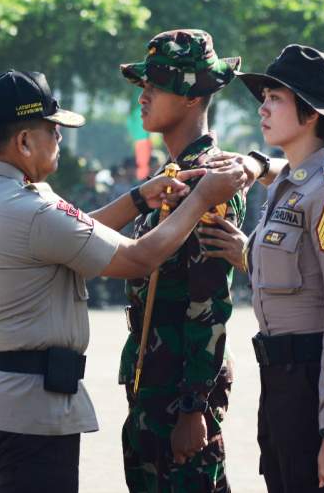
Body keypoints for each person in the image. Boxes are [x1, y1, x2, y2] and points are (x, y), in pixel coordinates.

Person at [0, 69, 245, 493]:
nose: (59, 138)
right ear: (24, 141)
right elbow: (139, 258)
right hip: (28, 414)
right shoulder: (32, 210)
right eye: (52, 130)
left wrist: (139, 198)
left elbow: (71, 234)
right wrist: (201, 198)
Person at [202, 44, 324, 492]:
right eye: (265, 97)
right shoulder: (290, 184)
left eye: (275, 98)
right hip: (280, 382)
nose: (263, 107)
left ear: (310, 113)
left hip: (314, 383)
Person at [116, 28, 246, 493]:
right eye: (144, 86)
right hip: (152, 381)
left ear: (192, 96)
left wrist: (194, 406)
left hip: (179, 392)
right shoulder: (172, 174)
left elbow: (208, 301)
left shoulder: (210, 180)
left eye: (156, 86)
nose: (143, 96)